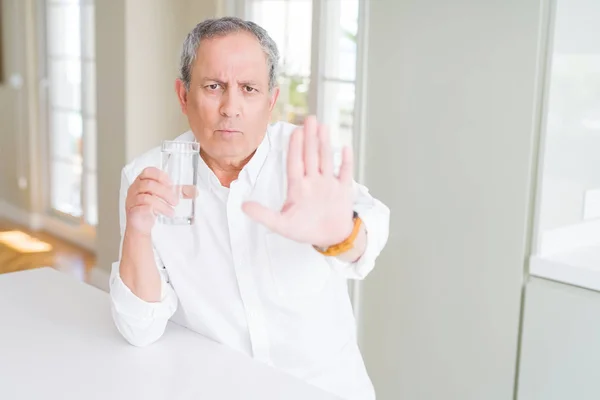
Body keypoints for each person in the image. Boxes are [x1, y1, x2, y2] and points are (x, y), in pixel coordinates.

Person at [109, 16, 390, 400]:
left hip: (325, 389)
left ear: (271, 101)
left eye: (249, 88)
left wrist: (342, 235)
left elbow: (370, 231)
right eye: (213, 86)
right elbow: (139, 329)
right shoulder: (148, 177)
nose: (231, 107)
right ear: (183, 95)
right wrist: (138, 233)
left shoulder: (304, 158)